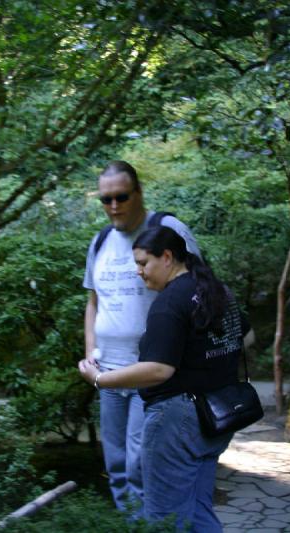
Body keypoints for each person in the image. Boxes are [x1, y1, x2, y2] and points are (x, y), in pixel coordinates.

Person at [79, 225, 249, 532]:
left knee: (165, 520)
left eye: (143, 263)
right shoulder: (215, 290)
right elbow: (245, 337)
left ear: (167, 257)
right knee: (197, 513)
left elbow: (159, 370)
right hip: (218, 417)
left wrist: (100, 379)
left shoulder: (170, 303)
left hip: (177, 422)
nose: (139, 272)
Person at [83, 161, 200, 512]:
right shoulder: (100, 241)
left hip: (152, 373)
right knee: (116, 466)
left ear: (139, 193)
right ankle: (130, 525)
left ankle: (154, 525)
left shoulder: (166, 229)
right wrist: (90, 350)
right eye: (106, 199)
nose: (114, 206)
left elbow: (198, 286)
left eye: (121, 196)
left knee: (140, 466)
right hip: (108, 372)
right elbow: (93, 302)